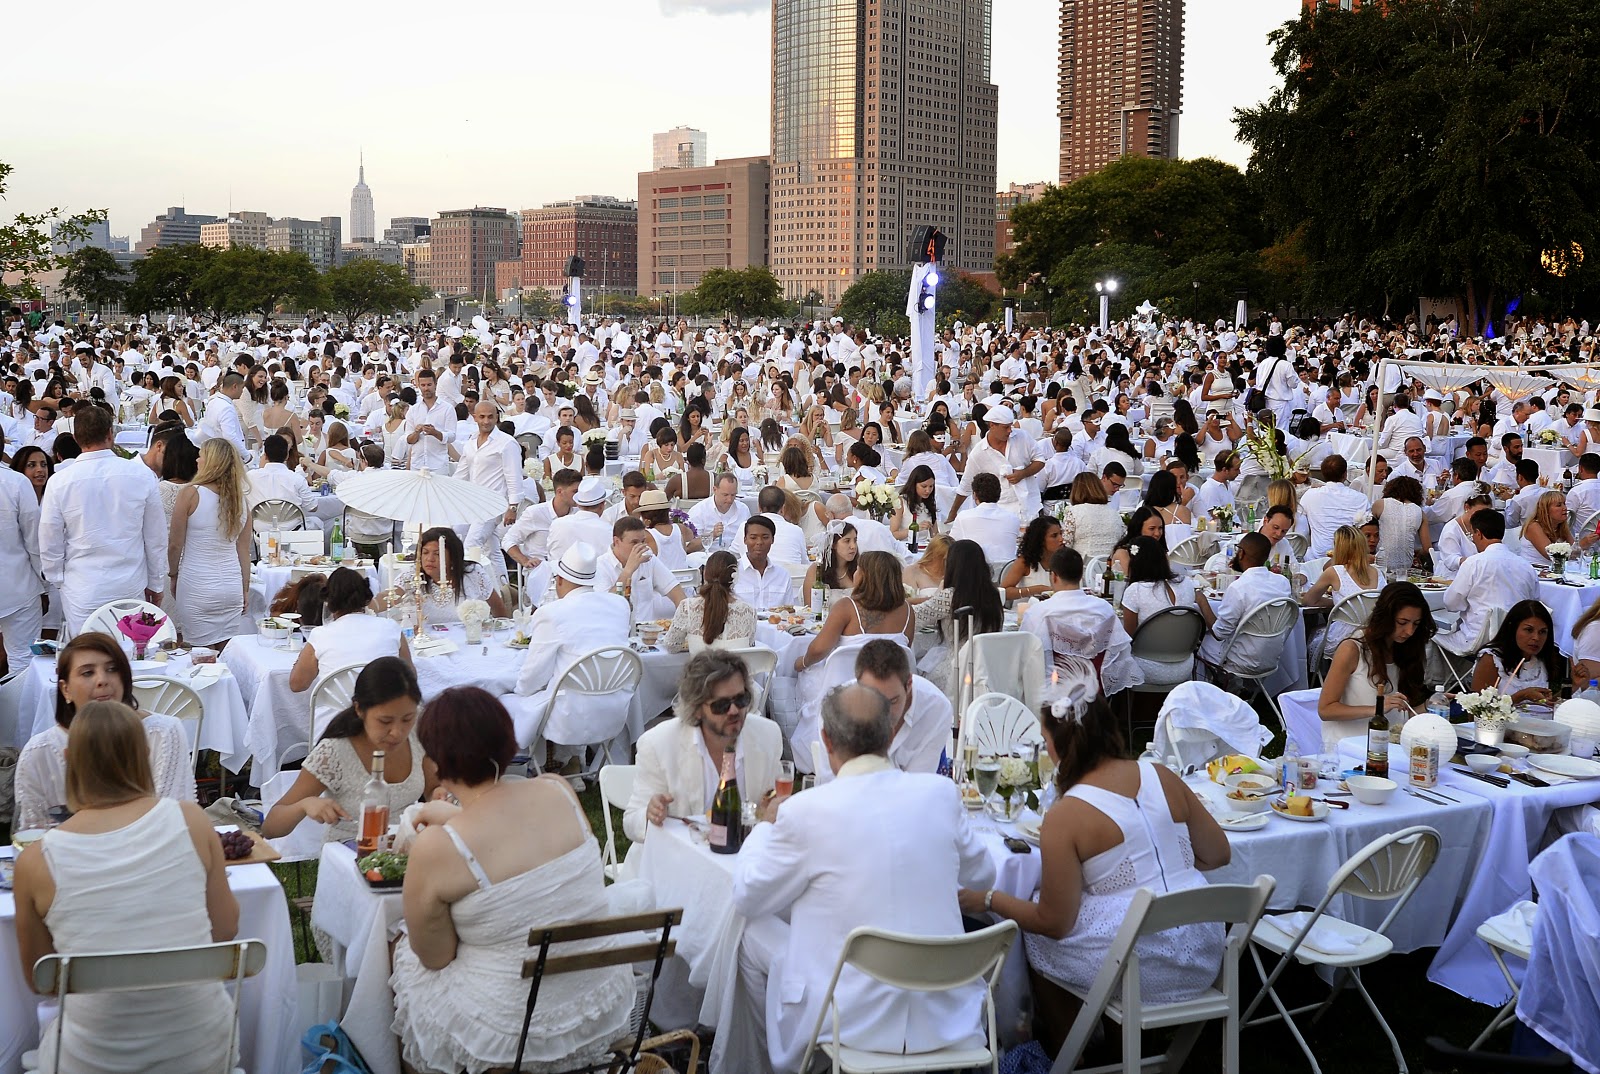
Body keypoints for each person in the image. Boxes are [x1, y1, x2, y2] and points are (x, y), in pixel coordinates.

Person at [732, 684, 997, 1074]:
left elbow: (748, 896)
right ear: (891, 734)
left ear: (825, 740)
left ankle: (756, 1067)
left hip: (847, 1020)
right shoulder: (939, 794)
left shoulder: (806, 812)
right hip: (946, 1015)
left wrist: (763, 830)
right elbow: (984, 875)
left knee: (751, 930)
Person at [958, 673, 1229, 1055]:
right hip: (1204, 952)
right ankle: (1121, 1044)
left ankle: (1073, 1049)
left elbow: (1055, 922)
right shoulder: (1162, 775)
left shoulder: (1068, 814)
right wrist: (1165, 858)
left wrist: (989, 899)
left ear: (1057, 746)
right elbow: (1219, 853)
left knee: (1038, 933)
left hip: (1142, 967)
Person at [391, 687, 636, 1074]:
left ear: (436, 760)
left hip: (513, 1033)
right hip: (599, 1000)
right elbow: (519, 843)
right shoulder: (558, 789)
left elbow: (435, 957)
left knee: (403, 952)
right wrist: (455, 818)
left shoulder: (438, 848)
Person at [12, 701, 240, 1074]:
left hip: (90, 1059)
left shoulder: (36, 862)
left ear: (68, 757)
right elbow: (226, 929)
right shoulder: (191, 820)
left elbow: (44, 980)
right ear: (144, 753)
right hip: (202, 1050)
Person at [15, 633, 195, 831]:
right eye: (87, 673)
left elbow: (175, 820)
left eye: (112, 669)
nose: (102, 680)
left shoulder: (162, 734)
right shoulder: (40, 751)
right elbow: (31, 832)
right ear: (65, 689)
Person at [263, 657, 436, 843]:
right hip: (349, 853)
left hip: (405, 847)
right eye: (385, 721)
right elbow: (270, 827)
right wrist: (303, 805)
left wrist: (439, 795)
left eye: (407, 719)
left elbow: (432, 789)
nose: (397, 732)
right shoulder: (334, 753)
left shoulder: (418, 729)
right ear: (359, 709)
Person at [624, 649, 783, 843]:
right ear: (697, 708)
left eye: (741, 700)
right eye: (721, 705)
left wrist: (771, 811)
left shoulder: (767, 735)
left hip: (744, 856)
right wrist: (650, 814)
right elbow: (631, 823)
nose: (734, 710)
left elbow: (771, 803)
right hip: (678, 860)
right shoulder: (658, 744)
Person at [38, 404, 166, 634]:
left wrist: (58, 579)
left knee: (88, 656)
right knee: (129, 656)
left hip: (82, 586)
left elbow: (49, 538)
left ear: (77, 438)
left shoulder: (60, 481)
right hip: (128, 582)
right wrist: (155, 583)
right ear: (110, 434)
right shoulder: (141, 475)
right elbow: (155, 538)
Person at [504, 544, 631, 755]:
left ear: (559, 580)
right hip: (614, 708)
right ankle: (570, 761)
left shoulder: (552, 613)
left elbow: (533, 677)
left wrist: (518, 690)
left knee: (506, 700)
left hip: (568, 718)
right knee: (562, 684)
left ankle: (526, 765)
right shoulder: (619, 605)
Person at [289, 567, 410, 738]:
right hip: (386, 723)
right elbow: (410, 676)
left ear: (329, 602)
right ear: (365, 597)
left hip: (334, 727)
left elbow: (297, 684)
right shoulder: (391, 628)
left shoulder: (321, 635)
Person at [1317, 582, 1436, 754]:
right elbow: (1326, 709)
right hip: (1350, 749)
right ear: (1385, 617)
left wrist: (1430, 705)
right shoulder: (1352, 649)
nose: (1409, 631)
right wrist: (1377, 708)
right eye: (1402, 622)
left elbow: (1401, 713)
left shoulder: (1405, 649)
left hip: (1393, 746)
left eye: (1416, 624)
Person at [167, 439, 251, 648]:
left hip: (198, 585)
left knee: (200, 660)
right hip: (231, 586)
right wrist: (245, 588)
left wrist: (173, 574)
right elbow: (244, 550)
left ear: (211, 461)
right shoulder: (241, 500)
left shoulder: (191, 493)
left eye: (201, 455)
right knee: (228, 658)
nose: (197, 459)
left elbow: (175, 544)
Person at [1022, 548, 1141, 694]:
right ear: (1081, 576)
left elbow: (1027, 660)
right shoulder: (1104, 609)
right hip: (1094, 693)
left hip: (1053, 699)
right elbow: (1119, 654)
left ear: (1053, 576)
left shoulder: (1038, 612)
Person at [1435, 511, 1540, 658]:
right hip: (1516, 639)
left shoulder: (1473, 563)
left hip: (1478, 639)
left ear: (1478, 533)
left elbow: (1451, 603)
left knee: (1431, 633)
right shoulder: (1526, 566)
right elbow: (1533, 602)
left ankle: (1437, 678)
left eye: (1472, 535)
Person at [797, 551, 914, 674]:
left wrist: (802, 662)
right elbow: (905, 651)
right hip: (891, 684)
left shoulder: (846, 607)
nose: (854, 574)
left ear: (866, 576)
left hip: (845, 683)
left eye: (858, 570)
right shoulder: (907, 611)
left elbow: (818, 650)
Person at [912, 539, 1004, 694]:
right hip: (989, 670)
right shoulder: (993, 595)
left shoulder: (951, 596)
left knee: (917, 674)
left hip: (956, 670)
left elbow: (915, 617)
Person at [1197, 532, 1295, 673]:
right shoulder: (1283, 582)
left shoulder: (1239, 587)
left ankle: (1214, 690)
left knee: (1199, 641)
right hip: (1270, 658)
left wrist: (1202, 601)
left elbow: (1219, 633)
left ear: (1241, 553)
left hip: (1239, 660)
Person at [1120, 536, 1214, 681]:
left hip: (1145, 668)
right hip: (1184, 666)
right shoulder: (1186, 584)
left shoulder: (1136, 590)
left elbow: (1128, 638)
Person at [0, 431, 44, 674]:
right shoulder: (16, 482)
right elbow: (34, 542)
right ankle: (20, 712)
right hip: (17, 587)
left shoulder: (16, 482)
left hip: (18, 588)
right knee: (23, 661)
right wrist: (43, 583)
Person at [405, 526, 508, 626]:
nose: (429, 559)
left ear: (452, 557)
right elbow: (393, 596)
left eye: (437, 554)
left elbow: (499, 612)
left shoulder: (473, 573)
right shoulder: (416, 575)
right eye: (425, 553)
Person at [595, 516, 687, 622]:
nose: (640, 547)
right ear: (616, 541)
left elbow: (676, 591)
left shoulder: (648, 558)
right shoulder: (601, 565)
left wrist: (685, 621)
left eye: (643, 541)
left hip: (646, 631)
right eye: (634, 542)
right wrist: (628, 571)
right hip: (617, 631)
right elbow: (604, 605)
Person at [664, 550, 756, 653]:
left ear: (705, 573)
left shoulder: (688, 607)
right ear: (735, 577)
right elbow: (749, 647)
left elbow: (671, 646)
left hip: (701, 668)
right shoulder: (749, 612)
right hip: (735, 668)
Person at [1470, 599, 1560, 703]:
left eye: (1542, 632)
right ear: (1513, 629)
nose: (1536, 638)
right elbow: (1476, 711)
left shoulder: (1541, 659)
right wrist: (1521, 696)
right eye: (1529, 630)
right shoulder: (1492, 659)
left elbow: (1549, 704)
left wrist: (1575, 686)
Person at [950, 471, 1023, 568]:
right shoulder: (1013, 518)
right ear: (999, 494)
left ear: (974, 494)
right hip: (1005, 573)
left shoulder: (963, 516)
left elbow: (951, 544)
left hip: (974, 573)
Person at [1368, 475, 1430, 573]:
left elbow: (1366, 529)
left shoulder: (1380, 505)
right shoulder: (1420, 512)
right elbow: (1427, 549)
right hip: (1405, 567)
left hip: (1380, 563)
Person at [999, 515, 1066, 603]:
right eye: (1054, 536)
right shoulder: (1024, 562)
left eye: (1061, 534)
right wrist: (1036, 590)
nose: (1061, 539)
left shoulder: (1064, 561)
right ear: (1041, 540)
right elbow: (1004, 591)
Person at [404, 366, 457, 474]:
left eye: (429, 385)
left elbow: (452, 436)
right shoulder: (413, 410)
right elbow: (408, 439)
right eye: (423, 385)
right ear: (418, 386)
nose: (426, 388)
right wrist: (417, 432)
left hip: (438, 465)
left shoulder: (447, 408)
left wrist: (435, 433)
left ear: (435, 385)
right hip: (417, 465)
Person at [688, 472, 752, 555]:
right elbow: (689, 547)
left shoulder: (743, 509)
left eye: (733, 495)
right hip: (709, 559)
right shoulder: (699, 511)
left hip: (737, 559)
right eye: (725, 495)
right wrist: (712, 535)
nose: (729, 500)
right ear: (715, 490)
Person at [1521, 490, 1588, 567]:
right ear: (1546, 510)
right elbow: (1552, 556)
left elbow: (1575, 555)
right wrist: (1583, 544)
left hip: (1556, 571)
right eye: (1559, 505)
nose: (1565, 508)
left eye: (1564, 504)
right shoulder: (1534, 527)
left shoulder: (1561, 526)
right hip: (1536, 571)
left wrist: (1585, 544)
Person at [1066, 471, 1122, 561]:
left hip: (1082, 568)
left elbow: (1066, 545)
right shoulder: (1114, 512)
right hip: (1110, 567)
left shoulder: (1074, 512)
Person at [804, 519, 861, 594]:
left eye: (855, 541)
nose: (853, 546)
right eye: (847, 541)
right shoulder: (817, 570)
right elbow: (809, 603)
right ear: (833, 544)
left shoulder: (859, 569)